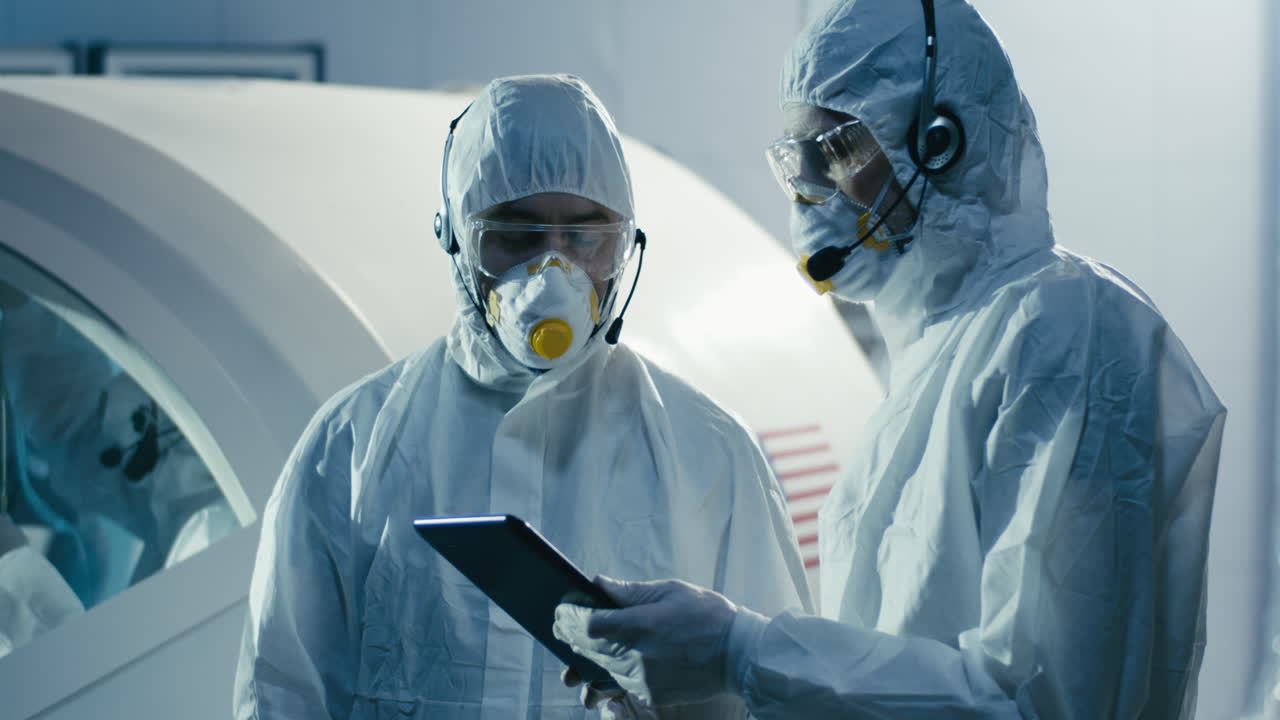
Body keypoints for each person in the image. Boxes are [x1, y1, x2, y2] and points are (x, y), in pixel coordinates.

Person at [554, 1, 1225, 718]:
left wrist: (740, 653)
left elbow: (1043, 703)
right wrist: (698, 683)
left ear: (942, 142)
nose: (812, 192)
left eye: (840, 153)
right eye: (797, 163)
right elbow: (886, 682)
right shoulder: (937, 356)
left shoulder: (1064, 332)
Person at [233, 73, 812, 720]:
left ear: (625, 247)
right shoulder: (349, 448)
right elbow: (282, 694)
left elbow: (781, 695)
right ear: (454, 237)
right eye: (516, 235)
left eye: (587, 237)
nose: (552, 271)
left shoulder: (709, 452)